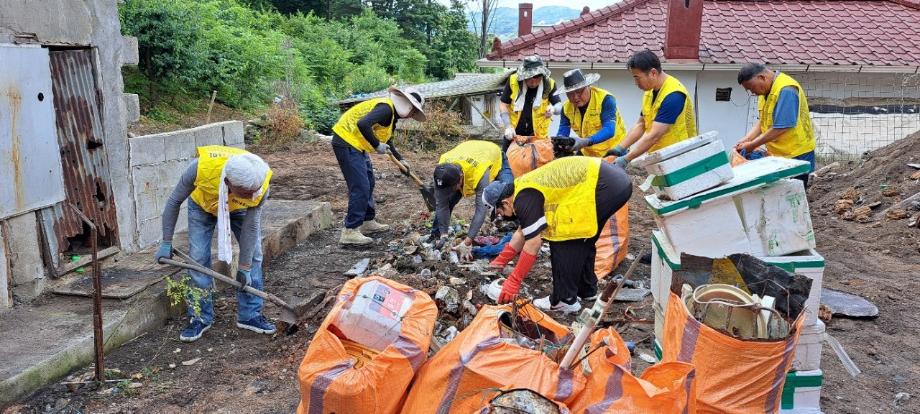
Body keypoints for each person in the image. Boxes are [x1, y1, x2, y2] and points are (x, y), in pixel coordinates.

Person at [154, 145, 275, 342]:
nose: (255, 195)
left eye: (256, 191)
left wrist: (244, 267)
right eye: (247, 192)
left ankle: (250, 315)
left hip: (239, 209)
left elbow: (251, 229)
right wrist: (166, 241)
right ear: (228, 182)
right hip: (202, 206)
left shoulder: (260, 182)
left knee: (253, 256)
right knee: (198, 258)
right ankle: (200, 318)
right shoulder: (201, 168)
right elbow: (174, 201)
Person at [483, 156, 632, 313]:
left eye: (499, 212)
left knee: (562, 237)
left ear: (505, 202)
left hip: (603, 185)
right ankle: (586, 289)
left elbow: (533, 242)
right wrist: (500, 261)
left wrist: (514, 280)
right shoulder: (522, 189)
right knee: (583, 238)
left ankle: (564, 299)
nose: (502, 216)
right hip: (613, 181)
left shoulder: (523, 198)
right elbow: (522, 232)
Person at [331, 86, 426, 245]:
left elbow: (387, 140)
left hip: (357, 144)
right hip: (346, 140)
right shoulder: (386, 109)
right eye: (413, 111)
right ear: (407, 105)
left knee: (369, 181)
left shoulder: (392, 116)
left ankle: (367, 221)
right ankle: (350, 230)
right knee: (360, 186)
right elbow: (362, 124)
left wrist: (400, 159)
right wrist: (376, 145)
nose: (412, 116)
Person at [608, 50, 698, 168]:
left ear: (653, 73)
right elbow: (641, 125)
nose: (635, 83)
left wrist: (626, 159)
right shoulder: (650, 92)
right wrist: (619, 149)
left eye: (637, 78)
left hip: (679, 158)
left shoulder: (673, 95)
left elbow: (654, 135)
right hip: (659, 157)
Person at [735, 63, 817, 185]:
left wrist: (752, 145)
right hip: (779, 154)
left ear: (762, 78)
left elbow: (781, 127)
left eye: (752, 88)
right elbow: (763, 121)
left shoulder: (786, 90)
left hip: (797, 154)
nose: (752, 93)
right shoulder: (765, 91)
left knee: (793, 195)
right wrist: (746, 139)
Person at [430, 140, 514, 260]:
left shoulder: (479, 174)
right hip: (469, 151)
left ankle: (516, 232)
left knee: (508, 192)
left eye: (452, 188)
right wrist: (444, 233)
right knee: (448, 199)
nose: (447, 191)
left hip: (493, 156)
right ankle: (436, 234)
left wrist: (467, 242)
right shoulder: (441, 173)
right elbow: (441, 204)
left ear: (460, 178)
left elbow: (481, 209)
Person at [555, 68, 627, 157]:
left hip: (614, 150)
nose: (575, 97)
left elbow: (609, 129)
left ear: (588, 86)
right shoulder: (566, 108)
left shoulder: (605, 99)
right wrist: (559, 143)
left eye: (579, 91)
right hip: (589, 152)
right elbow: (563, 131)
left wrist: (586, 141)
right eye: (570, 94)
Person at [499, 55, 561, 150]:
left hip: (538, 137)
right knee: (507, 162)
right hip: (514, 135)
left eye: (537, 79)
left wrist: (553, 109)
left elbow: (559, 106)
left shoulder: (549, 84)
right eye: (529, 79)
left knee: (538, 163)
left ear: (542, 75)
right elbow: (503, 104)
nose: (533, 83)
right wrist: (508, 126)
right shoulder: (513, 81)